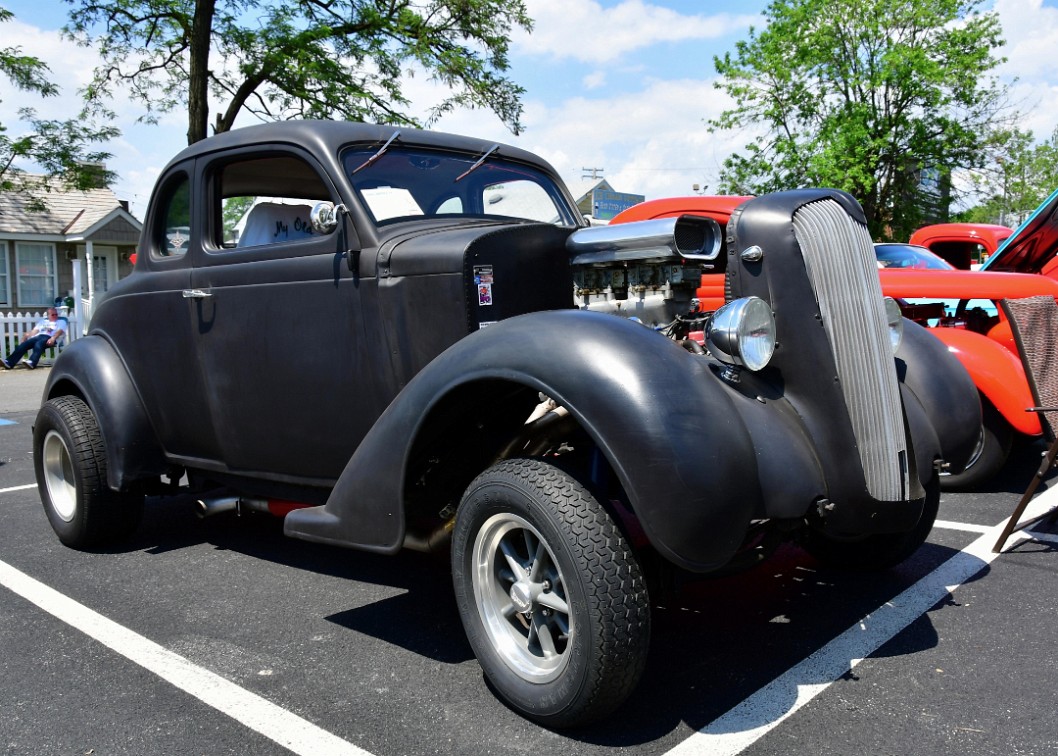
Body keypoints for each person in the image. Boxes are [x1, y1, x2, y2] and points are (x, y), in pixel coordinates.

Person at [2, 307, 68, 370]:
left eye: (56, 314)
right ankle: (9, 363)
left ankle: (32, 362)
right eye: (53, 315)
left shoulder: (61, 321)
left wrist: (53, 338)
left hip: (49, 337)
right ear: (48, 315)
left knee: (38, 344)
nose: (55, 316)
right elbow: (34, 331)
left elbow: (60, 331)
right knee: (23, 345)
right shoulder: (43, 322)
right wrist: (25, 336)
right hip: (38, 337)